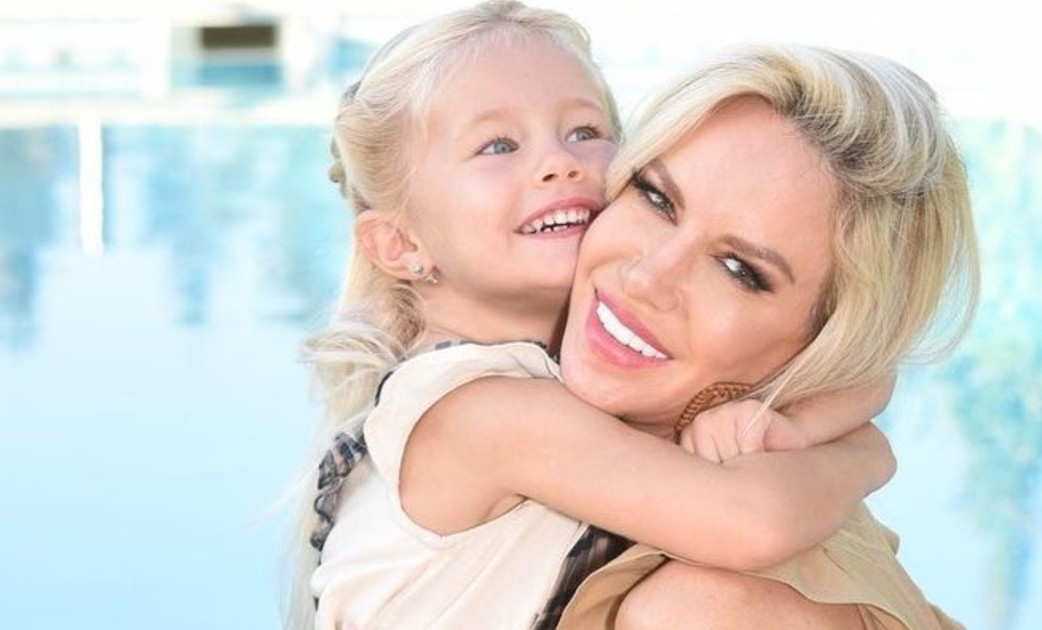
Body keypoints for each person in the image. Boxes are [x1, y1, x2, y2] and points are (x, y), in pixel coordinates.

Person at [286, 3, 897, 630]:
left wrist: (797, 424)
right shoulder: (480, 409)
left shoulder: (584, 373)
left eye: (584, 131)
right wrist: (865, 456)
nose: (561, 162)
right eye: (498, 145)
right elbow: (750, 522)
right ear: (401, 244)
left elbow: (864, 375)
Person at [550, 44, 979, 629]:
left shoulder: (700, 613)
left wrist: (861, 452)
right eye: (656, 198)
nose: (648, 278)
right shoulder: (509, 360)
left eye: (739, 270)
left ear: (823, 348)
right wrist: (857, 451)